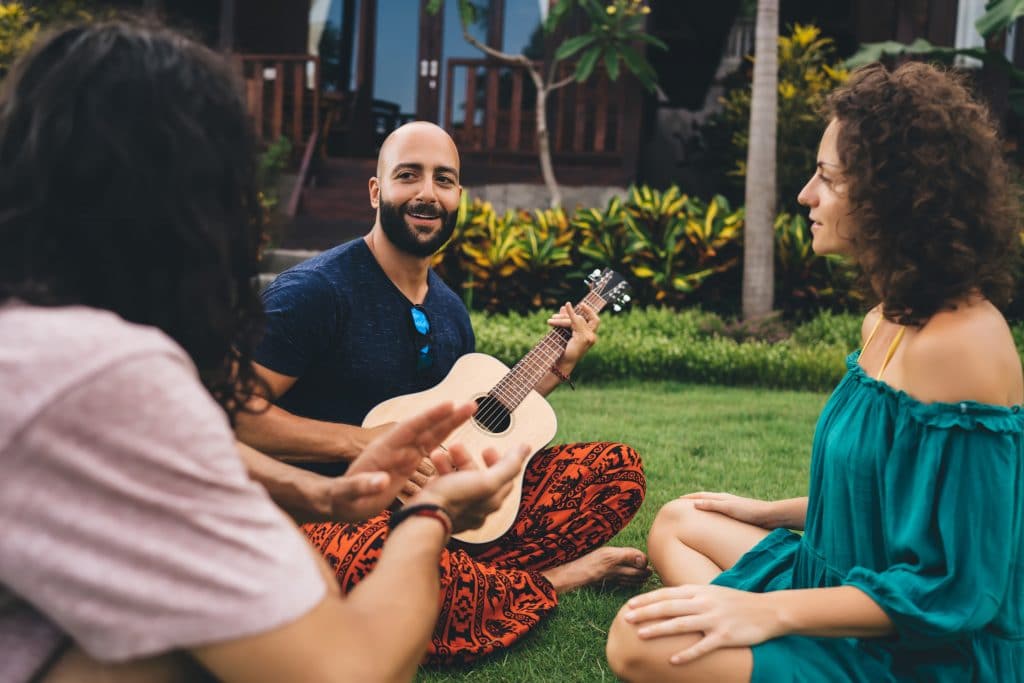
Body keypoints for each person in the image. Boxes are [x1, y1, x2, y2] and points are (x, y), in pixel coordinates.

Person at [0, 20, 528, 683]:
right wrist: (435, 513)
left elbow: (169, 451)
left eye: (445, 178)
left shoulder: (33, 339)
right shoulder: (106, 369)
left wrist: (322, 495)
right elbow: (343, 669)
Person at [606, 61, 1024, 681]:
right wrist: (768, 512)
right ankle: (742, 623)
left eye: (827, 178)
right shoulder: (885, 319)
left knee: (635, 640)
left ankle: (751, 627)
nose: (806, 194)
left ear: (895, 196)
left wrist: (774, 616)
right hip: (836, 575)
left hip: (915, 642)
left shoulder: (962, 345)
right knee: (679, 520)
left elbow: (958, 587)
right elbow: (883, 492)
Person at [234, 120, 650, 662]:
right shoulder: (315, 292)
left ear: (458, 197)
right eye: (409, 176)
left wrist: (554, 369)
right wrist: (359, 444)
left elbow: (471, 419)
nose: (427, 193)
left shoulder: (450, 310)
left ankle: (468, 578)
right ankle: (553, 580)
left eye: (444, 179)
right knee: (372, 566)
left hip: (436, 511)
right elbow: (231, 415)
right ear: (377, 190)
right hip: (332, 520)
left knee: (616, 470)